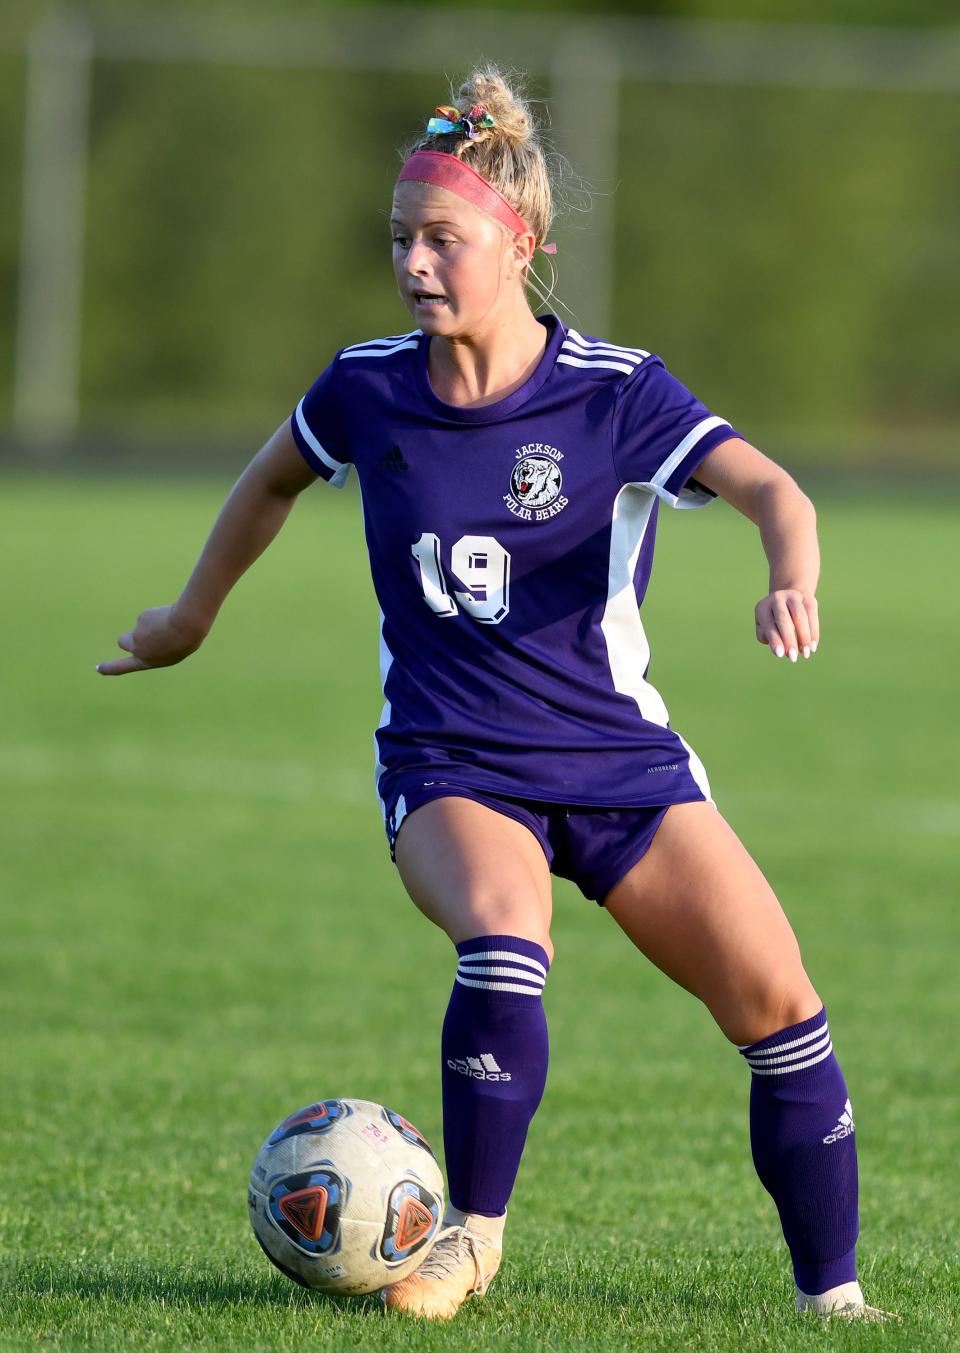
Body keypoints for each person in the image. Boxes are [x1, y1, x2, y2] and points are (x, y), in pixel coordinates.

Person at [98, 68, 893, 1324]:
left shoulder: (617, 392)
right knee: (510, 930)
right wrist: (189, 621)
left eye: (441, 240)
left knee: (781, 1006)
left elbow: (775, 492)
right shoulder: (365, 386)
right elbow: (265, 485)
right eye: (401, 240)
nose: (414, 263)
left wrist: (788, 577)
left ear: (524, 245)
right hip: (449, 759)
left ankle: (835, 1302)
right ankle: (471, 1237)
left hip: (621, 767)